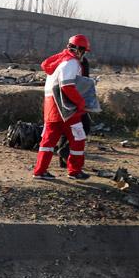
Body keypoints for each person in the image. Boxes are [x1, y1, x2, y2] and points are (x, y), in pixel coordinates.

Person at [32, 34, 90, 180]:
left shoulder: (59, 62)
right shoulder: (72, 63)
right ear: (80, 50)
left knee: (48, 140)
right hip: (66, 107)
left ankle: (40, 171)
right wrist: (80, 103)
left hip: (51, 106)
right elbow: (67, 85)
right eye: (84, 51)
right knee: (78, 138)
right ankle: (75, 171)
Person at [57, 54, 92, 168]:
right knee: (85, 126)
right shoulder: (81, 61)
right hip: (74, 97)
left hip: (59, 97)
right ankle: (65, 151)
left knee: (65, 130)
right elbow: (84, 80)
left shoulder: (62, 59)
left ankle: (62, 161)